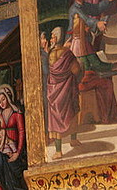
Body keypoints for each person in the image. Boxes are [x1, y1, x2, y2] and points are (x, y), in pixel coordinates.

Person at [47, 26, 81, 159]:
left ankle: (58, 151)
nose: (51, 39)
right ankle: (73, 139)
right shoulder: (67, 53)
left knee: (56, 117)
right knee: (71, 111)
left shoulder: (51, 54)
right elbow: (76, 70)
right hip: (66, 88)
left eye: (52, 37)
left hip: (54, 89)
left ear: (57, 38)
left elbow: (53, 71)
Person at [0, 85, 27, 190]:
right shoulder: (0, 117)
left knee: (3, 163)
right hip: (4, 149)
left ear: (8, 98)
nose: (2, 103)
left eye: (3, 99)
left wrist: (17, 152)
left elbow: (21, 132)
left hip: (16, 149)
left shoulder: (17, 113)